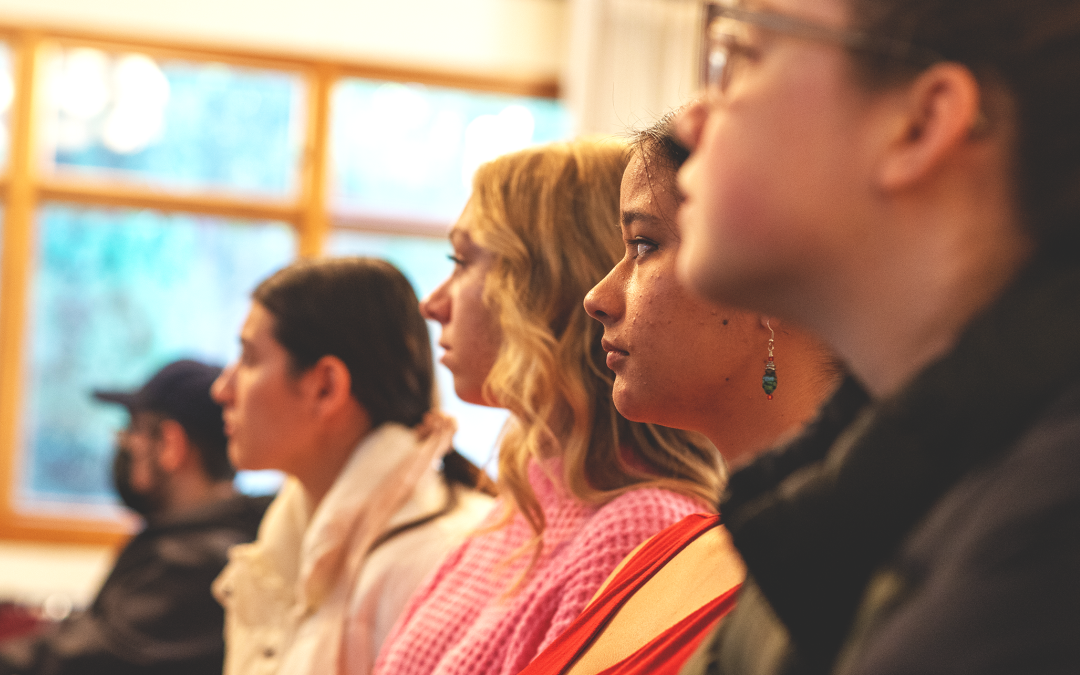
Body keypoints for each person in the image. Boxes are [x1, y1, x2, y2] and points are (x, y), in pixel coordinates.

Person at [669, 0, 1080, 673]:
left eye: (742, 55)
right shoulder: (839, 491)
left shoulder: (1046, 549)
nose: (692, 117)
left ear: (918, 125)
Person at [372, 139, 725, 675]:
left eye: (462, 262)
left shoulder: (638, 525)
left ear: (550, 287)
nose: (432, 303)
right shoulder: (531, 497)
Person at [515, 114, 838, 675]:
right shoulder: (663, 549)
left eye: (644, 245)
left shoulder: (843, 578)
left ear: (763, 277)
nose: (598, 295)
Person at [0, 359, 268, 675]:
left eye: (132, 430)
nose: (123, 443)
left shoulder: (200, 560)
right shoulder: (186, 543)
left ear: (169, 444)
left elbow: (80, 660)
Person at [209, 257, 495, 675]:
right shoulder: (290, 538)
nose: (223, 389)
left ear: (325, 387)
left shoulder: (438, 558)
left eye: (250, 359)